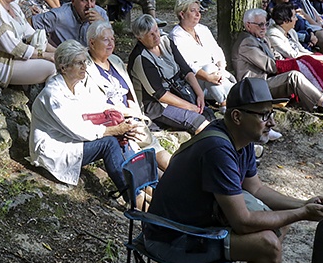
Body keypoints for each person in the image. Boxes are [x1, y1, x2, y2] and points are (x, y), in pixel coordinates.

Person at [145, 77, 323, 263]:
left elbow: (257, 189)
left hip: (197, 225)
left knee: (278, 227)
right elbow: (243, 222)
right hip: (173, 239)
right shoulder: (218, 149)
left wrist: (304, 204)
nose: (271, 122)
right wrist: (302, 213)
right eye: (264, 115)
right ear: (237, 116)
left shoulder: (242, 140)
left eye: (271, 113)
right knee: (268, 246)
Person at [29, 41, 138, 193]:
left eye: (84, 62)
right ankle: (133, 196)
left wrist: (125, 117)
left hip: (69, 140)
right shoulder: (53, 95)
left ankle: (139, 186)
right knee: (109, 143)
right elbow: (78, 130)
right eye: (79, 63)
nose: (84, 67)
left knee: (121, 135)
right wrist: (115, 129)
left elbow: (97, 105)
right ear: (63, 67)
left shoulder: (77, 86)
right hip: (53, 151)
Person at [233, 8, 323, 118]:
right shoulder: (247, 42)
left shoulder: (262, 37)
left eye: (266, 24)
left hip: (266, 81)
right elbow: (270, 65)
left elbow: (275, 56)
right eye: (260, 25)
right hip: (255, 86)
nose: (264, 28)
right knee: (294, 75)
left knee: (307, 67)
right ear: (248, 25)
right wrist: (296, 62)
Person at [84, 20, 171, 170]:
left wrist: (136, 116)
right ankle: (162, 187)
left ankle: (183, 176)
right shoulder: (85, 68)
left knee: (159, 152)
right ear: (92, 43)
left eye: (112, 39)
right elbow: (95, 104)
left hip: (133, 120)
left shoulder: (115, 60)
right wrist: (126, 119)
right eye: (105, 39)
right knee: (146, 167)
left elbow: (130, 95)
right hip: (114, 124)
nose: (111, 43)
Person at [127, 14, 212, 134]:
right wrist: (189, 106)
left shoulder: (166, 41)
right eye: (151, 34)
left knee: (208, 113)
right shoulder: (141, 58)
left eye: (156, 30)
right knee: (197, 120)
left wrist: (199, 94)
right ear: (140, 38)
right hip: (156, 105)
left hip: (179, 92)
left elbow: (186, 70)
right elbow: (160, 94)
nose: (156, 36)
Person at [266, 4, 323, 103]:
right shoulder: (273, 33)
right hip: (286, 63)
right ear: (285, 20)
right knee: (312, 62)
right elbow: (291, 55)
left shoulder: (291, 32)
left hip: (298, 59)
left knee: (319, 57)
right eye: (293, 17)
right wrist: (316, 59)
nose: (296, 19)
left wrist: (320, 57)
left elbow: (301, 50)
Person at [169, 0, 236, 109]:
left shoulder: (203, 29)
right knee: (208, 68)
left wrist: (220, 69)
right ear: (182, 14)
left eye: (199, 11)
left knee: (213, 70)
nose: (197, 14)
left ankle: (230, 101)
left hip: (216, 77)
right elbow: (189, 65)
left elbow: (217, 51)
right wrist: (209, 77)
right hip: (196, 82)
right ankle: (228, 102)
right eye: (193, 11)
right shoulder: (177, 35)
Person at [31, 0, 107, 46]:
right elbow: (29, 23)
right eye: (84, 0)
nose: (89, 5)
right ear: (73, 1)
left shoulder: (101, 14)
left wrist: (102, 25)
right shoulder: (59, 15)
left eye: (92, 1)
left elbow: (109, 43)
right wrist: (47, 47)